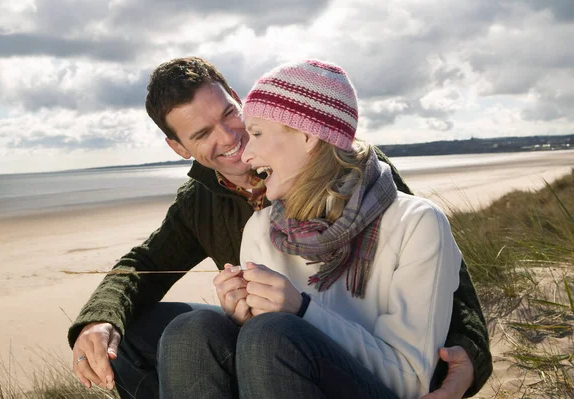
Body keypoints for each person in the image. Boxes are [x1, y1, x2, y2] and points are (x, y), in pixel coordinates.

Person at [68, 57, 491, 398]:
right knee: (175, 332)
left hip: (349, 360)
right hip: (283, 349)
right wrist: (99, 321)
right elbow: (145, 263)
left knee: (274, 333)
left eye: (233, 117)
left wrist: (468, 354)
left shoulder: (366, 176)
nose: (236, 141)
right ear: (180, 148)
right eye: (202, 133)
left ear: (239, 99)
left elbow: (445, 282)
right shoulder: (236, 218)